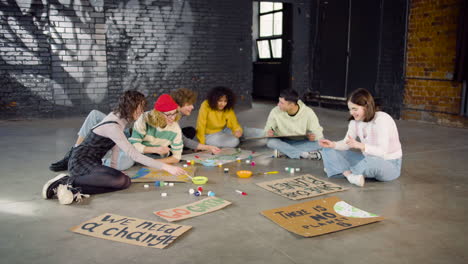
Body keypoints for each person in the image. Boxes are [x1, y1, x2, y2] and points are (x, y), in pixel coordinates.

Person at [42, 91, 187, 205]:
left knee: (124, 182)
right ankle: (66, 182)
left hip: (93, 162)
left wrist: (113, 168)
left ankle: (73, 189)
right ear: (131, 107)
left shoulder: (120, 118)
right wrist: (167, 167)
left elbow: (115, 145)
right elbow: (134, 155)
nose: (142, 111)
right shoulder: (113, 126)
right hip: (80, 162)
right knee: (119, 181)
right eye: (140, 108)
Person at [318, 88, 402, 187]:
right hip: (366, 159)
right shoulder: (354, 122)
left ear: (366, 106)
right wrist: (333, 144)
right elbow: (346, 143)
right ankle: (352, 174)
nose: (351, 113)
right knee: (328, 150)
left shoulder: (381, 119)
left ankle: (344, 171)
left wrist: (361, 146)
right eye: (350, 109)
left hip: (389, 163)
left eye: (355, 109)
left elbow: (382, 152)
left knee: (370, 162)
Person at [264, 89, 324, 159]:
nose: (278, 104)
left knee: (321, 143)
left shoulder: (308, 112)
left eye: (281, 103)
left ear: (292, 105)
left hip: (301, 142)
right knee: (271, 142)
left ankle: (284, 152)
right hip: (283, 141)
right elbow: (267, 129)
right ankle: (304, 154)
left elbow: (318, 134)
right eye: (279, 101)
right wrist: (268, 132)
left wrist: (314, 137)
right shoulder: (275, 111)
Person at [195, 86, 263, 148]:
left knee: (243, 130)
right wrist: (202, 144)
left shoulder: (227, 108)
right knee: (234, 142)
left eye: (225, 101)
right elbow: (200, 125)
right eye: (220, 101)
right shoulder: (205, 105)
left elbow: (234, 123)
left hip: (223, 130)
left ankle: (268, 132)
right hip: (209, 135)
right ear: (214, 99)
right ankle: (239, 138)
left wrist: (237, 131)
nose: (223, 104)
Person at [127, 94, 184, 165]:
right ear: (158, 114)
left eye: (174, 113)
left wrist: (153, 163)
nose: (172, 118)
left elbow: (177, 157)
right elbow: (133, 145)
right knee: (126, 159)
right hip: (140, 148)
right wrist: (155, 150)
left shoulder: (176, 129)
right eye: (168, 114)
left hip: (155, 155)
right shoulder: (143, 119)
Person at [170, 88, 221, 154]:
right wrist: (207, 147)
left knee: (190, 130)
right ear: (178, 106)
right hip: (159, 145)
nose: (192, 107)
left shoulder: (177, 114)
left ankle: (182, 147)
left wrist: (197, 146)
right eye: (189, 105)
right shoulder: (171, 118)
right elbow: (183, 140)